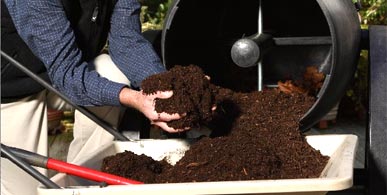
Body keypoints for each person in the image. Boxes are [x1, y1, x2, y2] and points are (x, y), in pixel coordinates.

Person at [1, 0, 185, 194]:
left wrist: (166, 88)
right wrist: (135, 99)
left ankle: (85, 181)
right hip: (11, 84)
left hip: (67, 72)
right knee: (25, 190)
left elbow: (127, 41)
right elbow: (68, 73)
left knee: (111, 71)